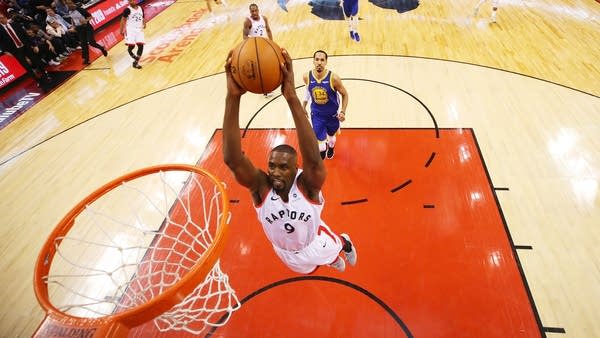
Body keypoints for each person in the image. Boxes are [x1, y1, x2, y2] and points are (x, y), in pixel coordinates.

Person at [222, 48, 357, 274]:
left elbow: (314, 161)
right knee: (309, 270)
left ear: (296, 169)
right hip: (284, 251)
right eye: (272, 166)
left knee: (332, 251)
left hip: (314, 242)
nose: (275, 172)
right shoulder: (261, 189)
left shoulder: (308, 186)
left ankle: (344, 243)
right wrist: (232, 96)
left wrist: (292, 97)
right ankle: (329, 260)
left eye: (283, 167)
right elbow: (233, 160)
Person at [302, 50, 348, 160]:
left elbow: (345, 95)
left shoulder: (334, 78)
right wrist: (303, 105)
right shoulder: (306, 76)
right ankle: (323, 150)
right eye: (317, 59)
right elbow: (308, 90)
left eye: (322, 60)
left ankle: (331, 147)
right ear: (313, 61)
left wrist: (343, 111)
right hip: (317, 115)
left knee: (331, 139)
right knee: (321, 146)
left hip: (332, 115)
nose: (319, 62)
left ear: (326, 62)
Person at [0, 12, 50, 86]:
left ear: (5, 17)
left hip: (25, 46)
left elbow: (25, 35)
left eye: (2, 17)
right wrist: (5, 51)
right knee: (26, 66)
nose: (1, 19)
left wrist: (34, 45)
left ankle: (45, 74)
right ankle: (37, 80)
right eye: (0, 19)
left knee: (35, 60)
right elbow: (1, 42)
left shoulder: (15, 25)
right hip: (15, 50)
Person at [66, 0, 107, 65]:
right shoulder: (69, 11)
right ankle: (86, 59)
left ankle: (102, 48)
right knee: (83, 44)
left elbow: (90, 17)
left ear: (73, 3)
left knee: (91, 42)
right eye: (68, 4)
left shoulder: (80, 9)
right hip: (79, 29)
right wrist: (73, 27)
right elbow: (73, 19)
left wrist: (85, 20)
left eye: (70, 3)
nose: (69, 5)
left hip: (87, 27)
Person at [119, 0, 145, 69]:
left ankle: (135, 62)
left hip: (139, 29)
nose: (131, 2)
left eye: (132, 0)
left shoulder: (140, 8)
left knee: (141, 46)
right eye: (129, 1)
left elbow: (142, 17)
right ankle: (130, 52)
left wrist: (144, 23)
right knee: (131, 47)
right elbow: (122, 20)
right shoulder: (127, 10)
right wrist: (121, 30)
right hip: (131, 30)